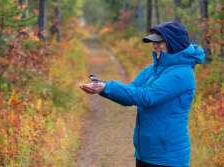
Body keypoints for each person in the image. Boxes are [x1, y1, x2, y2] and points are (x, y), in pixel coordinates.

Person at [79, 21, 205, 167]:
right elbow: (131, 93)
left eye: (159, 42)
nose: (154, 46)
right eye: (153, 42)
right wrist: (103, 87)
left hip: (168, 157)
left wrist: (106, 87)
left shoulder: (181, 73)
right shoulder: (153, 69)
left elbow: (146, 97)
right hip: (146, 153)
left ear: (173, 43)